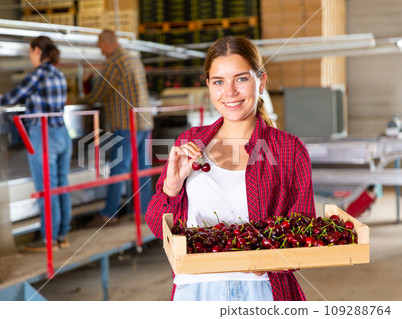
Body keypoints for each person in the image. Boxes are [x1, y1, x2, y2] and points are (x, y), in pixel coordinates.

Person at [145, 36, 316, 301]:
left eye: (241, 79)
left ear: (261, 81)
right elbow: (158, 227)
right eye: (218, 82)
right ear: (209, 87)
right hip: (196, 292)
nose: (230, 92)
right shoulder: (190, 143)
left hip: (263, 292)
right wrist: (172, 186)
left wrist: (262, 261)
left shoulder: (289, 150)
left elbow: (302, 236)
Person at [0, 36, 72, 252]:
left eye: (30, 52)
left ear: (36, 51)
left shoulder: (37, 75)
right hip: (62, 133)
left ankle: (49, 241)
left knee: (46, 189)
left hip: (44, 135)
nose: (30, 57)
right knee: (61, 186)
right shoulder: (59, 74)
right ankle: (62, 236)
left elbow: (13, 97)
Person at [81, 29, 154, 228]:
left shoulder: (114, 61)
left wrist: (81, 100)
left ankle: (109, 213)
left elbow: (101, 92)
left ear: (106, 43)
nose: (99, 50)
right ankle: (144, 212)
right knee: (142, 169)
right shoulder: (133, 58)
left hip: (127, 124)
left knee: (119, 168)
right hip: (145, 122)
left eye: (99, 45)